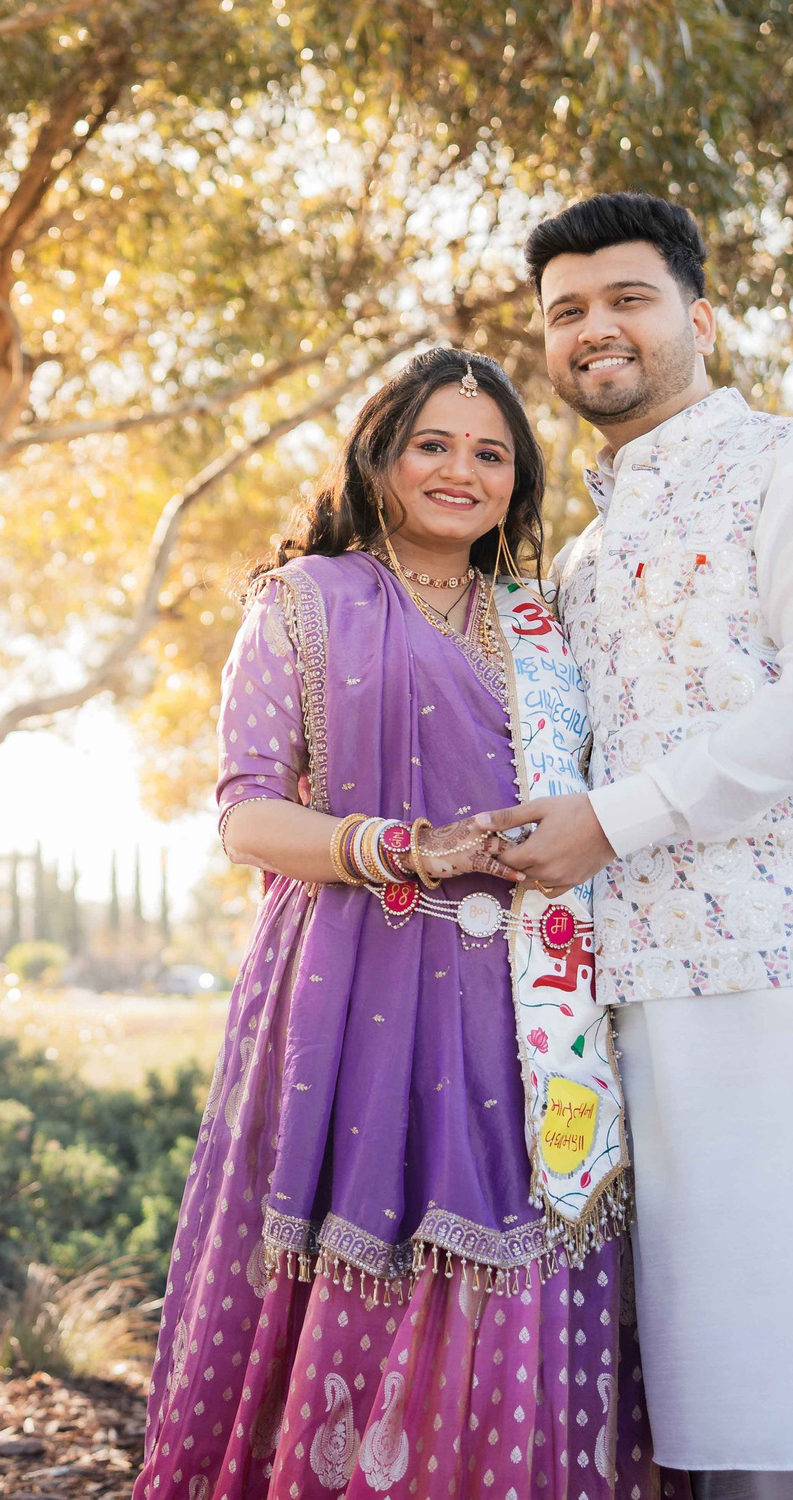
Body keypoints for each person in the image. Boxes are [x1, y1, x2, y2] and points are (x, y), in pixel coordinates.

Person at [136, 346, 686, 1500]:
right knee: (365, 1255)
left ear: (516, 484)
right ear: (379, 457)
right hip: (352, 988)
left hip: (527, 1005)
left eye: (490, 453)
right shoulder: (301, 601)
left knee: (519, 1256)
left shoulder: (546, 624)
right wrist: (398, 847)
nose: (460, 470)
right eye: (432, 444)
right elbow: (245, 815)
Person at [485, 194, 793, 1499]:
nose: (596, 329)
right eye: (567, 310)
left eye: (628, 297)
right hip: (648, 993)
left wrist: (608, 822)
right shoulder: (579, 556)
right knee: (725, 1417)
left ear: (702, 317)